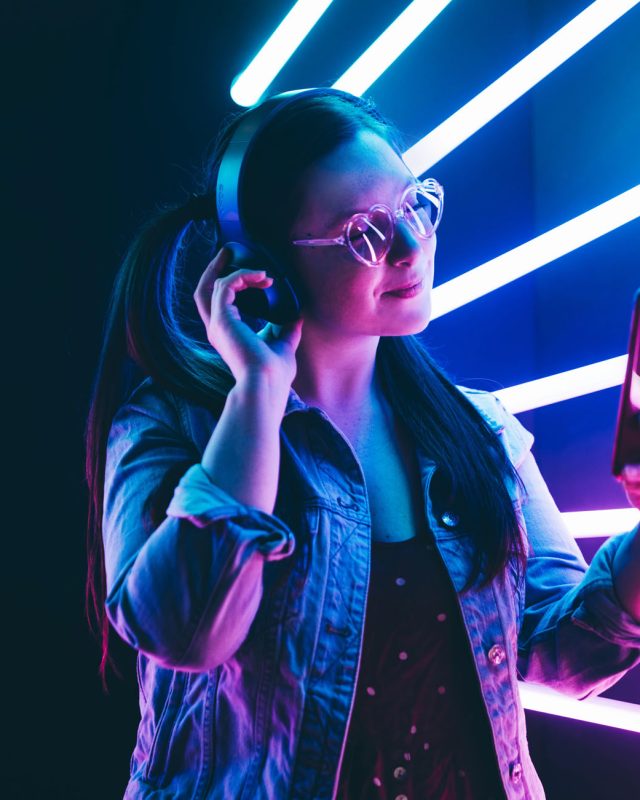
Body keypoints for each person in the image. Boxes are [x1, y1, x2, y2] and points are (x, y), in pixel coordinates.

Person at [85, 88, 640, 800]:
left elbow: (565, 650)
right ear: (266, 267)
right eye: (363, 232)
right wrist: (257, 392)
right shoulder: (172, 429)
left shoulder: (480, 431)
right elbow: (185, 634)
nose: (411, 248)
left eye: (415, 207)